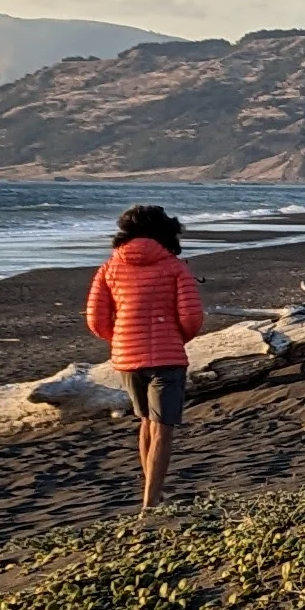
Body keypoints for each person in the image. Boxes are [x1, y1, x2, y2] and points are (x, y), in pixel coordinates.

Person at [86, 204, 205, 510]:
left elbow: (96, 320)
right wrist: (176, 338)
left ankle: (152, 493)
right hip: (167, 357)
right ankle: (150, 503)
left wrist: (122, 339)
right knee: (163, 428)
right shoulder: (174, 267)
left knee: (146, 423)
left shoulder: (110, 268)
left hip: (128, 357)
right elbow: (191, 317)